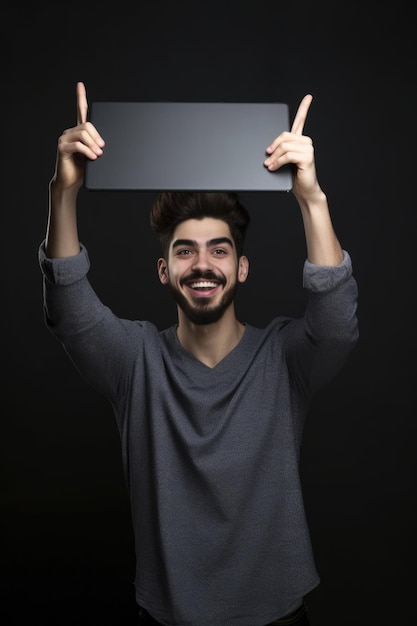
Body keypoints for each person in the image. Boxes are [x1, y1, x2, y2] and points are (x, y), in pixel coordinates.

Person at [38, 81, 359, 626]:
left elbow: (336, 325)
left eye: (219, 249)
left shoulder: (282, 359)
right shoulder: (136, 361)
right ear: (164, 270)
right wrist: (63, 190)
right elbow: (68, 309)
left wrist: (312, 198)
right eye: (184, 251)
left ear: (242, 267)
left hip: (279, 616)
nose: (202, 265)